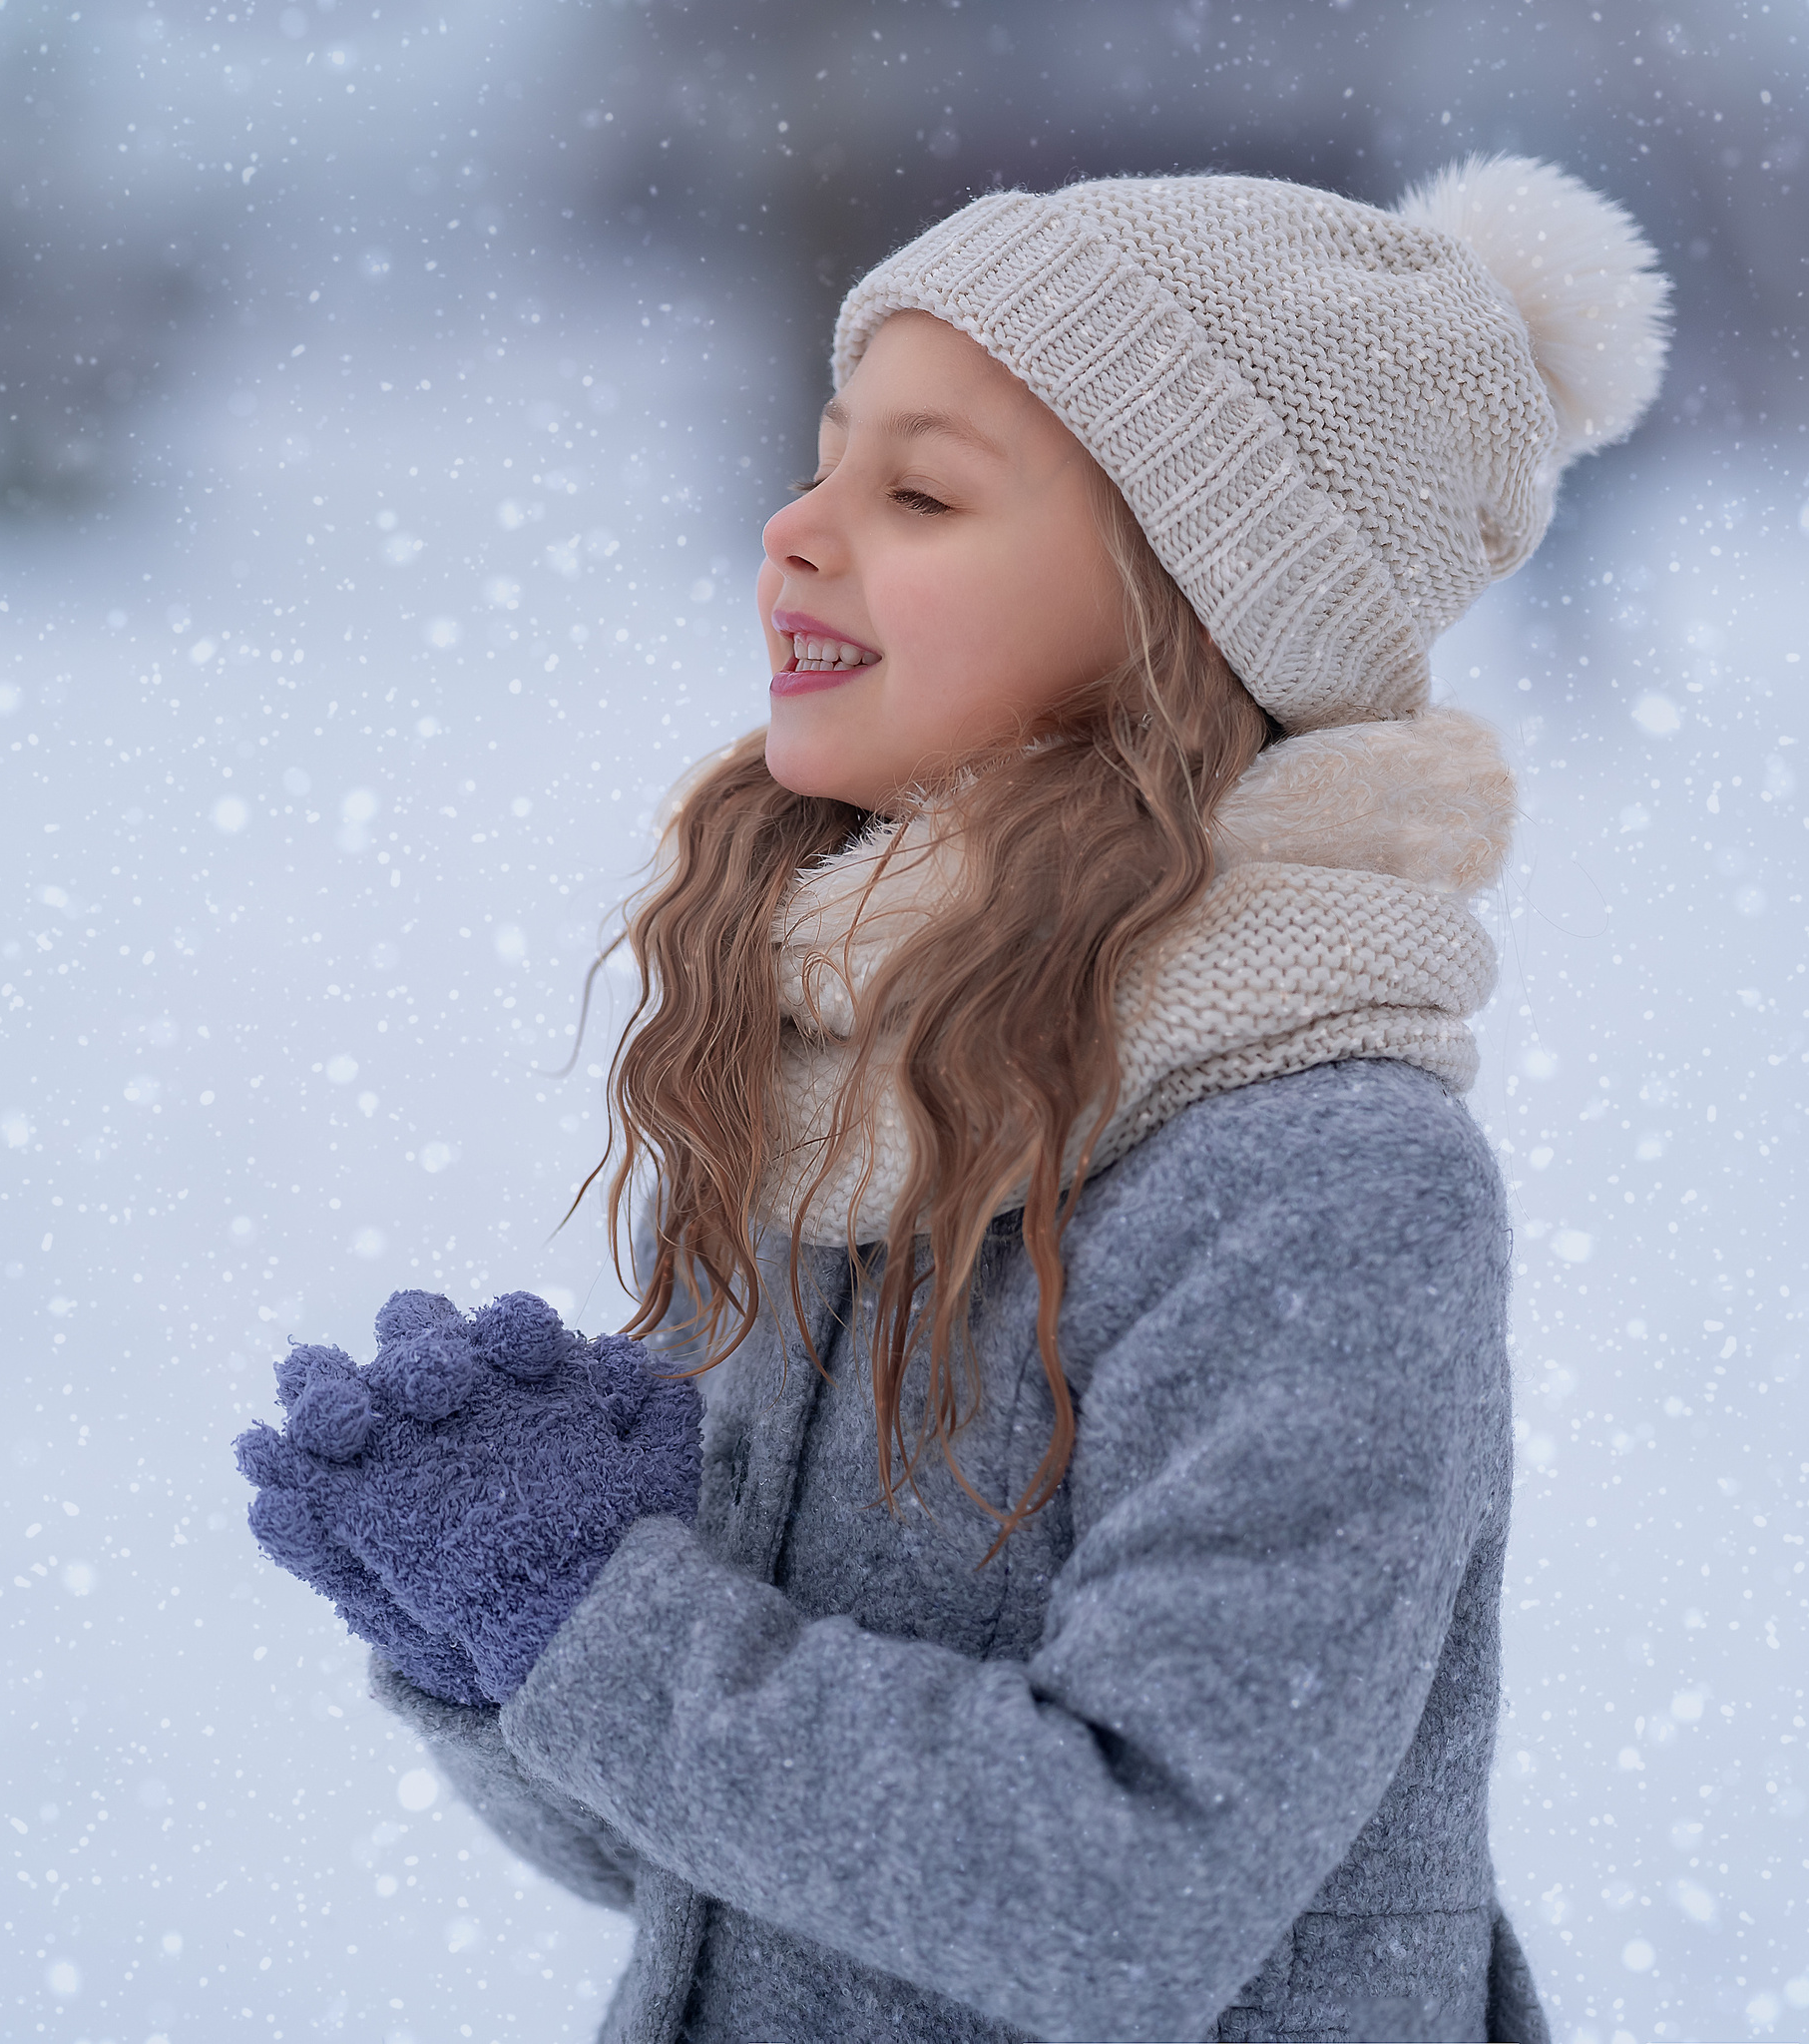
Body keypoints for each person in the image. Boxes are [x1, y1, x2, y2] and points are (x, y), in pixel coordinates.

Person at [237, 156, 1669, 2042]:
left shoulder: (1320, 1181)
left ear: (1194, 608)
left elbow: (1125, 1893)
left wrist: (596, 1618)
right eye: (825, 459)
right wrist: (492, 1635)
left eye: (915, 491)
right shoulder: (863, 1074)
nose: (797, 531)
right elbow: (716, 1857)